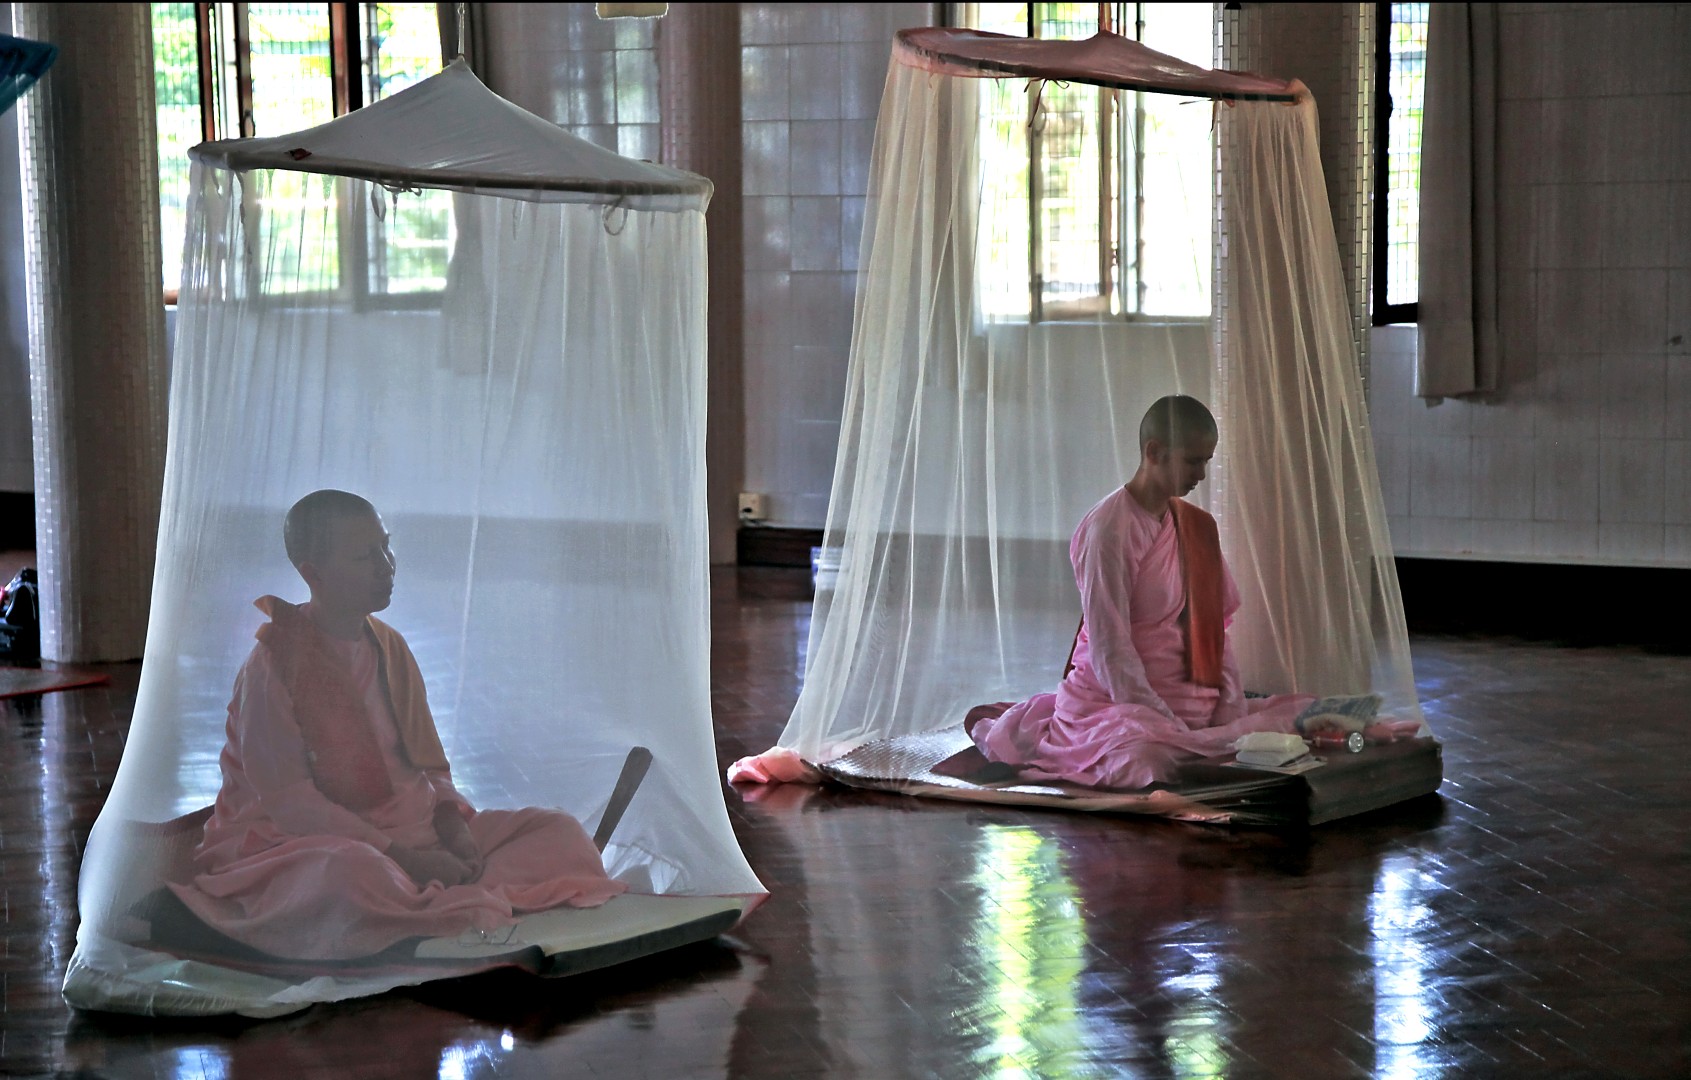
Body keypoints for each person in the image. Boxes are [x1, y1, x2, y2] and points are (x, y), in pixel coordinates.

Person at [170, 489, 625, 961]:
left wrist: (455, 831)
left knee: (560, 833)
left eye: (386, 547)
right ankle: (439, 900)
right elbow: (290, 803)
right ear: (313, 574)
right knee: (351, 876)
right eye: (365, 556)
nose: (386, 566)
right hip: (306, 846)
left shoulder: (391, 648)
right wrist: (403, 856)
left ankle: (432, 905)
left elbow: (429, 767)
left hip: (419, 832)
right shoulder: (273, 666)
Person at [967, 395, 1325, 790]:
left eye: (1207, 462)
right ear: (1154, 452)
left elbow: (1215, 632)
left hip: (1193, 701)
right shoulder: (1109, 530)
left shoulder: (1197, 527)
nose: (1202, 475)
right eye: (1193, 462)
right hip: (1117, 705)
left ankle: (1201, 740)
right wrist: (1164, 721)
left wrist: (1229, 707)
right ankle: (1186, 744)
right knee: (1146, 762)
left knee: (1304, 715)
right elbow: (1110, 647)